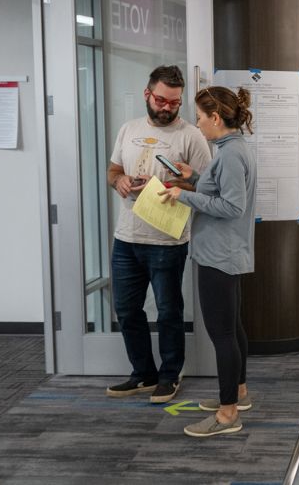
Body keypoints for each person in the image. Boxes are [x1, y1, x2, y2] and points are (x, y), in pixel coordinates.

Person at [105, 65, 211, 404]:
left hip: (167, 238)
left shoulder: (190, 135)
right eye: (162, 101)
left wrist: (177, 183)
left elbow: (206, 184)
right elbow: (113, 169)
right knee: (126, 308)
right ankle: (143, 374)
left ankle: (169, 375)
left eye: (175, 103)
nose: (167, 108)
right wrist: (119, 181)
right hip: (127, 237)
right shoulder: (128, 129)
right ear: (147, 95)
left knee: (168, 311)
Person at [160, 86, 257, 438]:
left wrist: (185, 195)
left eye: (200, 118)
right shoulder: (233, 149)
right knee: (233, 328)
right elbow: (219, 192)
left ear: (216, 118)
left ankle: (228, 414)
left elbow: (232, 207)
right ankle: (239, 394)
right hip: (225, 252)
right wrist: (194, 179)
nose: (198, 125)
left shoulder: (230, 155)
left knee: (223, 335)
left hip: (219, 254)